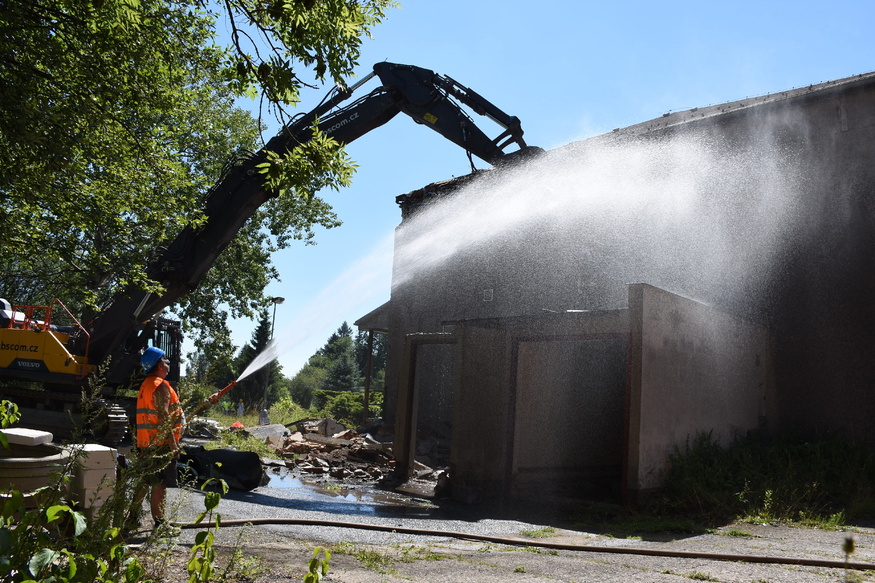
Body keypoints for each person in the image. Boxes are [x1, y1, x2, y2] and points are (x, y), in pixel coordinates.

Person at [130, 346, 183, 531]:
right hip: (160, 444)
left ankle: (132, 518)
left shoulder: (146, 385)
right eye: (166, 360)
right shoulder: (161, 386)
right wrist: (173, 443)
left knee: (145, 481)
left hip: (147, 442)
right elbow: (164, 416)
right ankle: (160, 523)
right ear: (159, 364)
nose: (168, 364)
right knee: (160, 484)